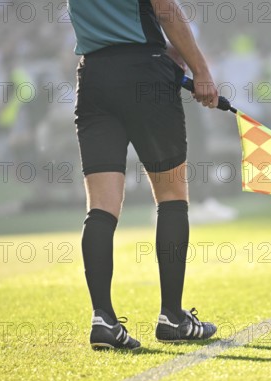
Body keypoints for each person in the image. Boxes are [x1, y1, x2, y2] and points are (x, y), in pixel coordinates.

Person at [67, 0, 219, 350]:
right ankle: (173, 317)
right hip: (145, 73)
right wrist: (202, 71)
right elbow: (166, 9)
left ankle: (103, 320)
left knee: (101, 207)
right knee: (171, 196)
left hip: (94, 76)